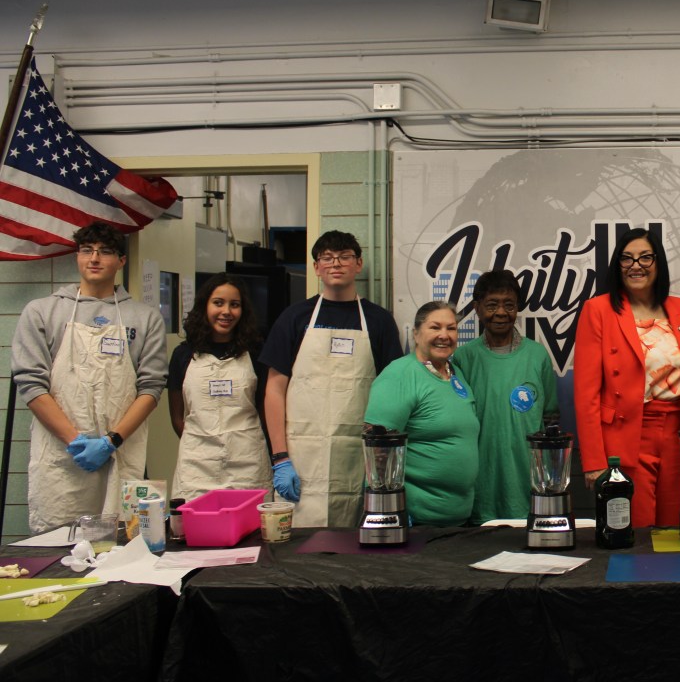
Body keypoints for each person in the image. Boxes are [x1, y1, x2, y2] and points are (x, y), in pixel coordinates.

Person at [12, 221, 168, 533]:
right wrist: (74, 439)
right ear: (77, 256)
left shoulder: (144, 317)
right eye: (87, 251)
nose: (94, 258)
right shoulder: (43, 311)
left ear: (121, 261)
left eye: (105, 252)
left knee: (123, 539)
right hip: (62, 455)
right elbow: (30, 383)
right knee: (59, 543)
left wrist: (111, 441)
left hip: (120, 451)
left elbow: (151, 387)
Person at [259, 230, 403, 528]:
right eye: (326, 258)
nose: (335, 264)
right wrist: (280, 458)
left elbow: (393, 392)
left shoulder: (379, 320)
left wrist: (384, 459)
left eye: (344, 257)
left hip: (358, 457)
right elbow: (274, 388)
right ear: (316, 267)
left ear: (358, 264)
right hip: (301, 455)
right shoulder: (294, 317)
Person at [574, 227, 680, 528]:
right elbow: (587, 394)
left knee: (676, 527)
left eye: (645, 257)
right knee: (634, 531)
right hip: (626, 436)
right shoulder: (597, 310)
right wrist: (595, 462)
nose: (636, 265)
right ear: (617, 266)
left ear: (658, 263)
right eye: (627, 258)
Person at [454, 270, 559, 523]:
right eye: (492, 305)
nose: (501, 313)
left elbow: (551, 418)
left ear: (517, 309)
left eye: (509, 305)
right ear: (478, 309)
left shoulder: (537, 356)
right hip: (480, 482)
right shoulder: (464, 358)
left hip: (527, 483)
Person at [364, 301, 479, 526]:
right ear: (416, 334)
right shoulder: (400, 375)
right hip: (416, 520)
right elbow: (376, 452)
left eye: (451, 328)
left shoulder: (456, 375)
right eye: (435, 327)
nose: (444, 335)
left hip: (458, 517)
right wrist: (389, 512)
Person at [168, 273, 270, 502]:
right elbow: (177, 417)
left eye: (234, 305)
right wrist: (201, 446)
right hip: (197, 466)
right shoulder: (183, 355)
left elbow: (265, 409)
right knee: (197, 532)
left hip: (248, 462)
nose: (226, 311)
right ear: (204, 306)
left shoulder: (256, 353)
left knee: (251, 532)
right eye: (218, 303)